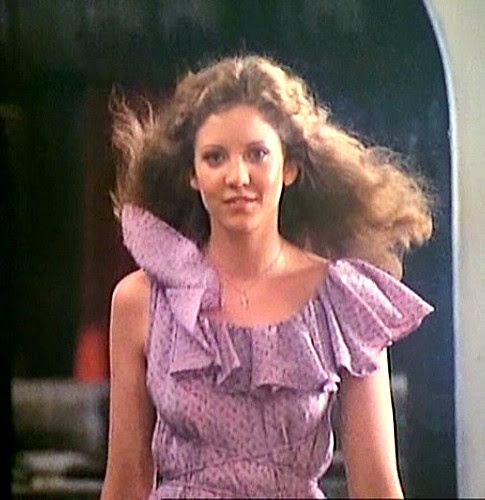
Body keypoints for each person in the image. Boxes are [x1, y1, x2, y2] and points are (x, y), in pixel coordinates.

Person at [101, 54, 434, 499]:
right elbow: (126, 480)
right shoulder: (141, 300)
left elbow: (377, 486)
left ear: (289, 166)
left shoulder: (343, 302)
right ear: (192, 175)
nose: (237, 176)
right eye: (215, 157)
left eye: (257, 154)